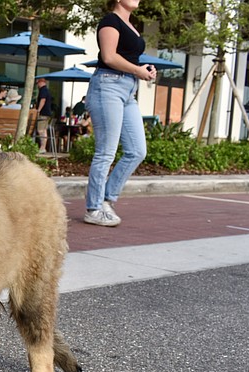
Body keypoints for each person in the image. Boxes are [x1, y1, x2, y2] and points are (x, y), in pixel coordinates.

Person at [83, 0, 156, 227]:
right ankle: (94, 209)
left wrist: (145, 70)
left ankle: (106, 199)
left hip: (128, 90)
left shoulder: (131, 25)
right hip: (108, 87)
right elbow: (109, 57)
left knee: (137, 151)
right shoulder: (110, 21)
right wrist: (137, 70)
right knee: (106, 152)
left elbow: (127, 57)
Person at [34, 77, 52, 153]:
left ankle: (42, 147)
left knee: (40, 130)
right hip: (47, 113)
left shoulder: (43, 90)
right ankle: (43, 147)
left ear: (41, 82)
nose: (37, 85)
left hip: (43, 113)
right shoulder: (47, 90)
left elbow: (43, 100)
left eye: (37, 83)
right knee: (44, 130)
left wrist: (38, 110)